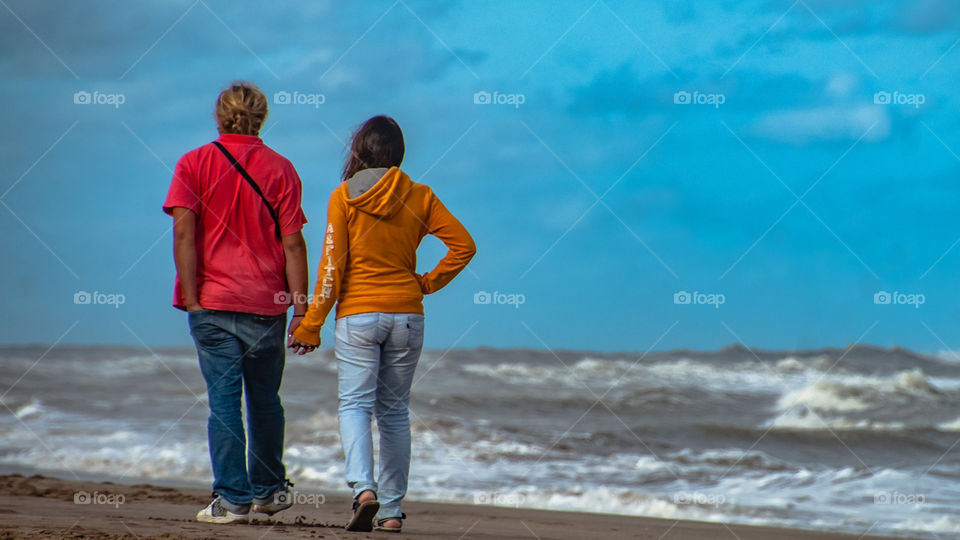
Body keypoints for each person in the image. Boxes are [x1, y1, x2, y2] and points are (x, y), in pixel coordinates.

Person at [288, 115, 476, 533]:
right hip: (407, 315)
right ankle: (391, 511)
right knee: (393, 413)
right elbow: (464, 246)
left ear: (359, 151)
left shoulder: (343, 197)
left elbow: (332, 267)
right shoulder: (420, 195)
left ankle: (364, 490)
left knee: (355, 404)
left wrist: (310, 324)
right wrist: (426, 283)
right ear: (398, 153)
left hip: (357, 315)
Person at [162, 81, 310, 524]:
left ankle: (232, 500)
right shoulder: (281, 168)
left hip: (211, 301)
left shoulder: (193, 163)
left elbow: (184, 234)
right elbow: (294, 244)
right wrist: (302, 308)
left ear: (219, 115)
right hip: (268, 302)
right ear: (262, 117)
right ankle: (268, 490)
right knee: (265, 400)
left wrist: (192, 299)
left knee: (224, 402)